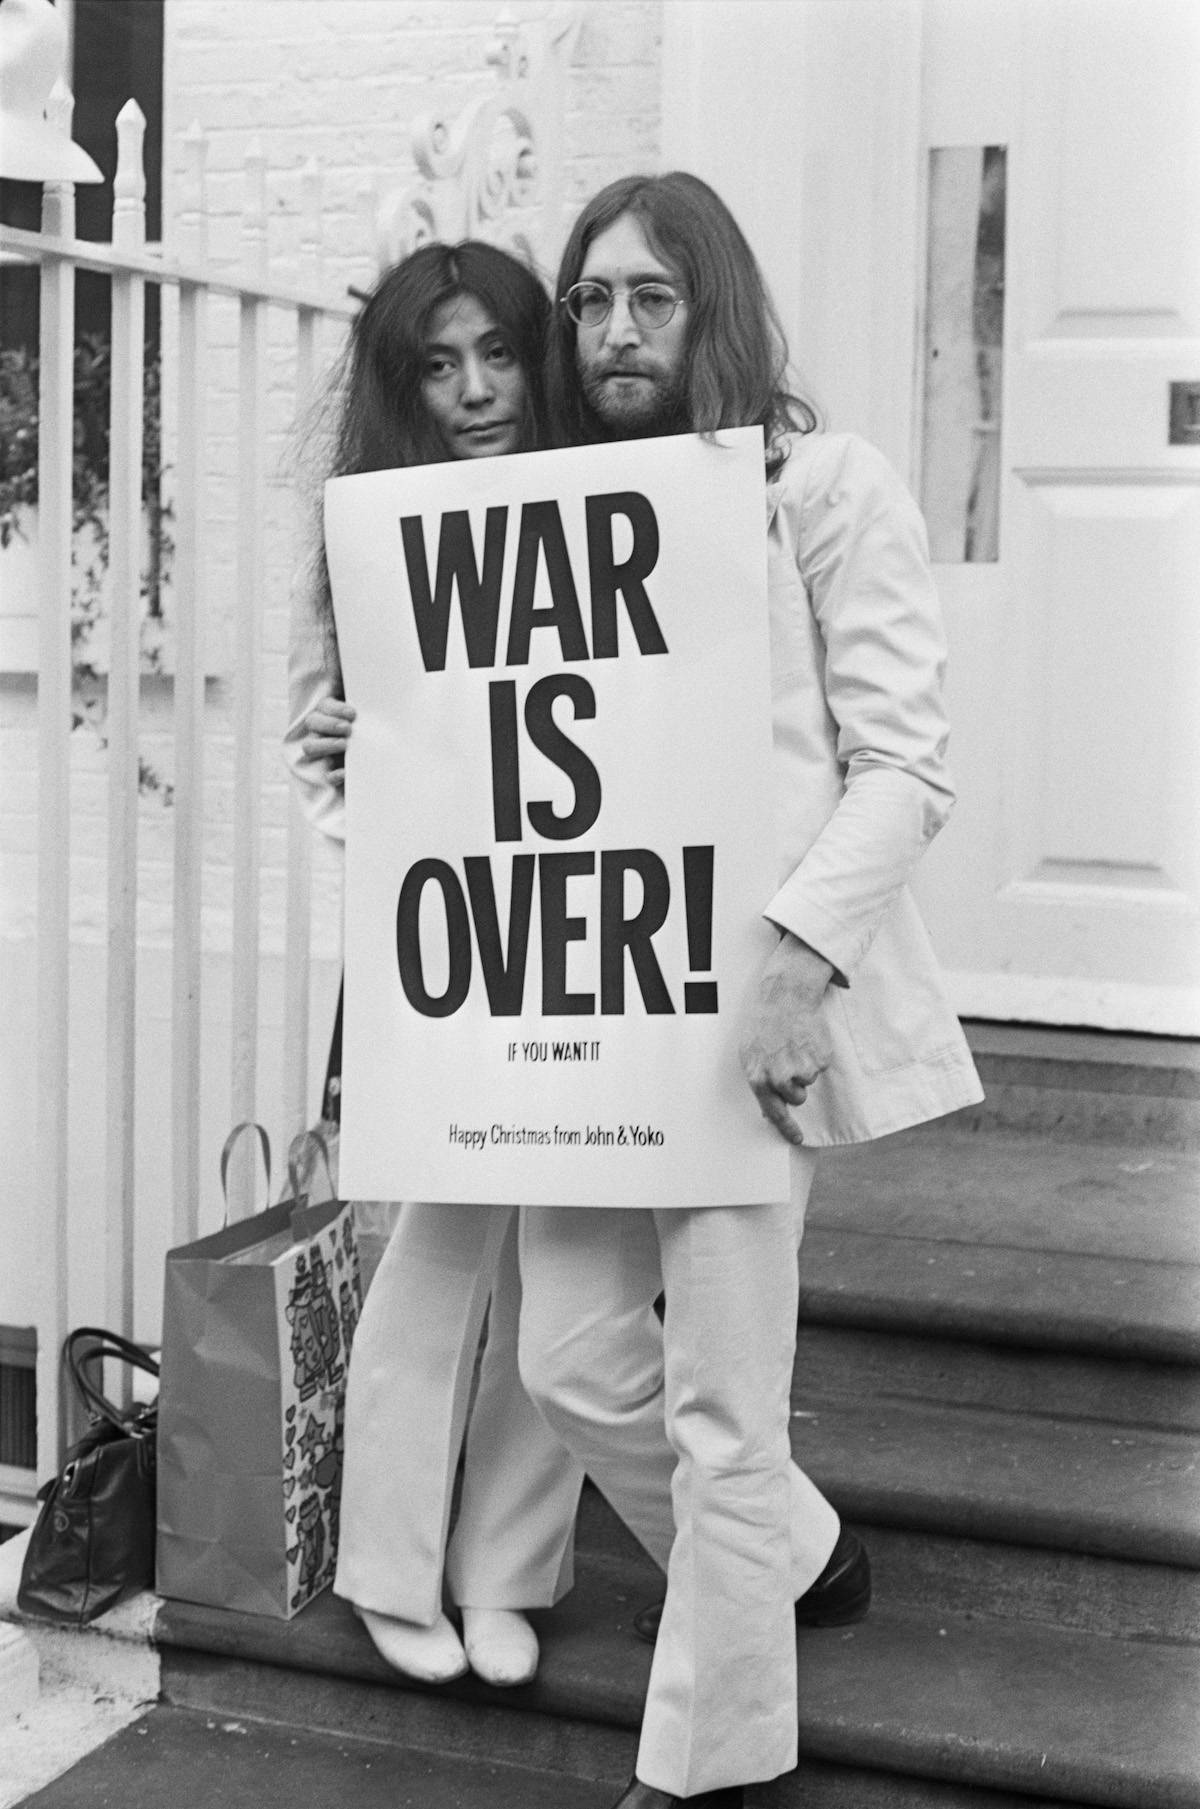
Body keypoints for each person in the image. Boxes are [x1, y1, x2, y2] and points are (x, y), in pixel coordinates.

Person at [514, 172, 984, 1808]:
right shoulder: (560, 514)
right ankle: (802, 1553)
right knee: (568, 1352)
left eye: (654, 296)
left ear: (716, 308)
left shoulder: (827, 485)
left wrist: (799, 969)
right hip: (592, 1000)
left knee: (724, 1394)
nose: (618, 329)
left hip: (742, 1005)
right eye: (590, 301)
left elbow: (908, 765)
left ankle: (704, 1765)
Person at [284, 241, 586, 1690]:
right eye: (438, 363)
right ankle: (387, 1560)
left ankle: (508, 1572)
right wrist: (348, 763)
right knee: (436, 1249)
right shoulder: (369, 541)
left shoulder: (606, 503)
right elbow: (316, 755)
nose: (475, 390)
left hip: (591, 929)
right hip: (453, 943)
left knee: (569, 1260)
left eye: (500, 354)